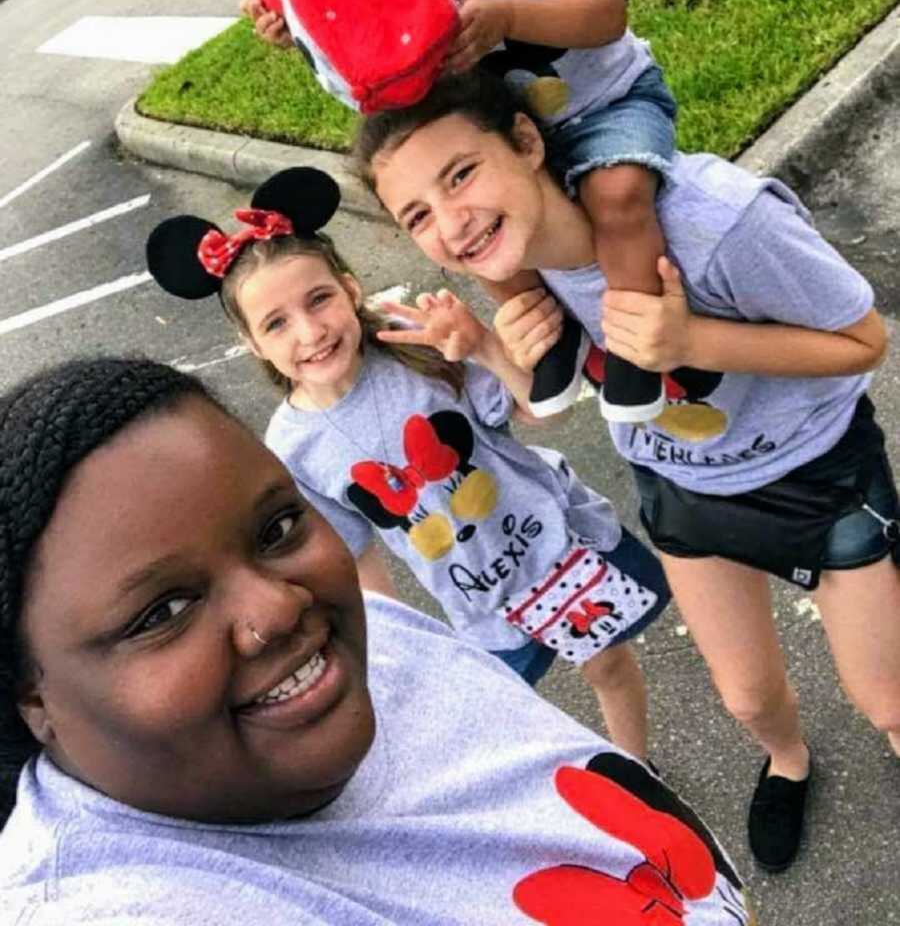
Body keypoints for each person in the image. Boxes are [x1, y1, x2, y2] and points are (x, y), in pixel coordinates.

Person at [354, 67, 900, 874]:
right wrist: (491, 350)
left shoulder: (715, 223)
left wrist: (694, 344)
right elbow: (558, 403)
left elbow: (864, 341)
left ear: (527, 141)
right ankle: (789, 761)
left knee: (886, 696)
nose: (453, 224)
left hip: (817, 476)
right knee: (747, 697)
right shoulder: (517, 270)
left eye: (461, 173)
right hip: (684, 492)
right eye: (418, 215)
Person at [0, 357, 755, 925]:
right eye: (162, 611)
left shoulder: (376, 640)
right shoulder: (122, 906)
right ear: (31, 694)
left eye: (277, 528)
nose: (280, 609)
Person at [144, 167, 670, 760]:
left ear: (349, 289)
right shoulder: (291, 449)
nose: (311, 331)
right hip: (473, 601)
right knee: (512, 714)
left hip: (553, 547)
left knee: (608, 669)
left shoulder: (413, 340)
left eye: (319, 299)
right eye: (276, 323)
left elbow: (540, 413)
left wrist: (484, 347)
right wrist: (398, 652)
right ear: (252, 344)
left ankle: (638, 766)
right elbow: (358, 560)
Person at [243, 0, 679, 424]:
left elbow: (606, 17)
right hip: (497, 142)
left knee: (619, 195)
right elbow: (365, 48)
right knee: (479, 242)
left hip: (606, 104)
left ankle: (633, 344)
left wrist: (506, 16)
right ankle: (554, 337)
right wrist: (297, 29)